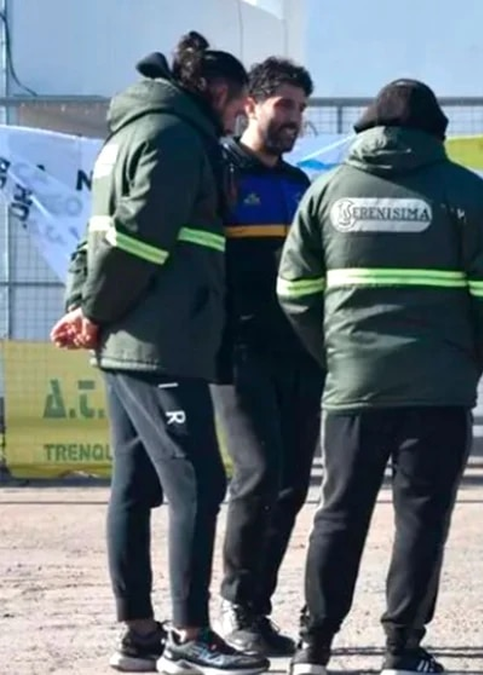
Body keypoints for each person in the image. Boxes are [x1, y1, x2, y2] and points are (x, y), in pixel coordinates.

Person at [276, 78, 483, 675]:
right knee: (421, 517)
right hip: (438, 390)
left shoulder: (328, 191)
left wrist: (336, 356)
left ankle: (314, 648)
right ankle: (401, 651)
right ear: (436, 134)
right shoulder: (466, 192)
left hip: (352, 388)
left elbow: (293, 291)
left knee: (338, 512)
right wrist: (476, 359)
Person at [51, 31, 269, 675]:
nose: (236, 125)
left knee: (134, 486)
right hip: (160, 341)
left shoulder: (125, 136)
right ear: (221, 93)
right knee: (199, 483)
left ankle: (140, 636)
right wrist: (95, 311)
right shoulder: (175, 139)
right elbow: (141, 241)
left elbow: (92, 239)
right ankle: (190, 634)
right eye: (237, 111)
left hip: (133, 338)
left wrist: (85, 308)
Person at [213, 56, 322, 657]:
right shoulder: (220, 171)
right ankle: (233, 605)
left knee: (290, 485)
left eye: (301, 107)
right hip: (238, 350)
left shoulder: (301, 185)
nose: (294, 118)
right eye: (284, 104)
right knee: (257, 475)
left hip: (300, 354)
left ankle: (255, 607)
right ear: (249, 105)